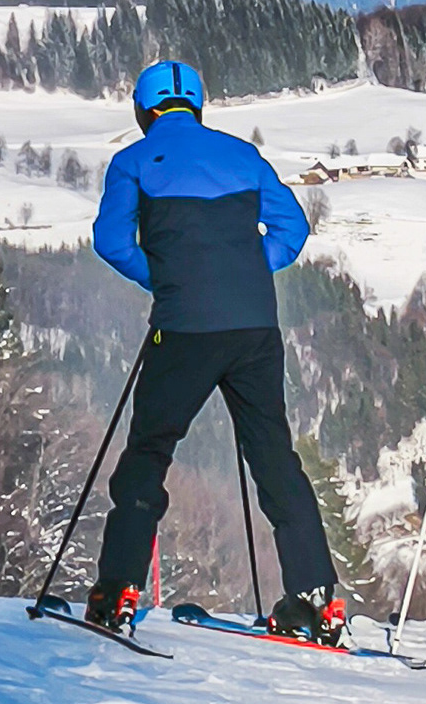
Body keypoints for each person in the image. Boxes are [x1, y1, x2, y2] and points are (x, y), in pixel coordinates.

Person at [87, 60, 345, 644]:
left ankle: (119, 589)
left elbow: (111, 242)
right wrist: (246, 272)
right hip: (255, 326)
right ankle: (315, 598)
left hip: (184, 328)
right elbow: (292, 229)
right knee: (274, 455)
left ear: (143, 109)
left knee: (149, 452)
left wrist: (167, 279)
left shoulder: (133, 161)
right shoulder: (243, 156)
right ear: (198, 105)